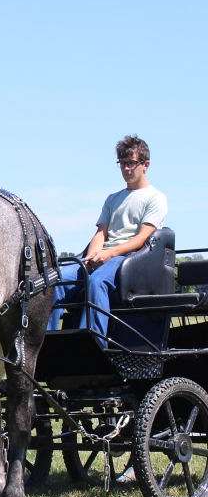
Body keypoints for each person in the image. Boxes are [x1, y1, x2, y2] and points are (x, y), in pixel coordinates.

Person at [48, 135, 168, 345]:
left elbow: (141, 239)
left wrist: (108, 254)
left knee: (96, 282)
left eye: (131, 163)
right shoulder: (113, 198)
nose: (126, 169)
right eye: (122, 164)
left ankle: (92, 343)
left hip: (129, 259)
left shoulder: (155, 198)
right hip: (103, 254)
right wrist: (93, 255)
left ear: (145, 165)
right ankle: (44, 342)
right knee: (55, 281)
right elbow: (101, 233)